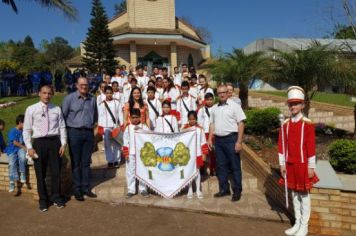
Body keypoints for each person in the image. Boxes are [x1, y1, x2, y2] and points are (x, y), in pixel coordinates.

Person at [278, 86, 319, 236]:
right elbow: (281, 146)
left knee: (304, 195)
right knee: (294, 194)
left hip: (303, 165)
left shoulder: (307, 124)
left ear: (302, 105)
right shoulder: (285, 125)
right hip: (289, 164)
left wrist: (311, 166)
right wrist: (282, 163)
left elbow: (311, 147)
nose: (293, 106)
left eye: (296, 103)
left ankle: (304, 226)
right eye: (291, 104)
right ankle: (297, 222)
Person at [23, 85, 67, 212]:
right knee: (40, 173)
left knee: (56, 172)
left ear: (52, 94)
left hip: (54, 142)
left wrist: (63, 144)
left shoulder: (57, 109)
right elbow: (26, 130)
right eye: (44, 93)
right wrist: (29, 148)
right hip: (39, 143)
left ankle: (57, 197)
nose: (47, 95)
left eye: (49, 93)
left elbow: (62, 127)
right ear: (39, 94)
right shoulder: (31, 109)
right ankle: (43, 201)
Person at [208, 84, 246, 202]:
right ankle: (224, 189)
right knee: (221, 166)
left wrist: (239, 141)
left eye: (224, 92)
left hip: (231, 139)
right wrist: (210, 138)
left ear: (228, 93)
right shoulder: (214, 108)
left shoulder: (235, 106)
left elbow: (241, 124)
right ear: (217, 94)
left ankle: (237, 190)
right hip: (218, 141)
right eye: (220, 93)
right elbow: (212, 124)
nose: (222, 94)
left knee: (235, 166)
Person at [62, 77, 98, 201]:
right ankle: (77, 189)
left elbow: (95, 116)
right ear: (77, 85)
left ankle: (86, 187)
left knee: (86, 162)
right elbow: (63, 117)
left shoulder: (92, 99)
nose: (84, 86)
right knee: (76, 162)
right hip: (74, 133)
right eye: (81, 84)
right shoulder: (69, 99)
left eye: (86, 85)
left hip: (88, 133)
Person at [122, 108, 149, 198]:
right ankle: (131, 189)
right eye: (133, 117)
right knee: (130, 172)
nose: (135, 119)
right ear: (130, 117)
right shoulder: (128, 128)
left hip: (142, 154)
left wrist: (141, 130)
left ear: (140, 117)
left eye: (137, 117)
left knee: (143, 171)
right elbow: (125, 142)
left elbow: (148, 139)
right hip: (131, 153)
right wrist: (126, 154)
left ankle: (143, 189)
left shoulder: (144, 127)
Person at [182, 111, 208, 199]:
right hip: (188, 155)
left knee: (197, 172)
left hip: (197, 154)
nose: (192, 121)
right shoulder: (184, 129)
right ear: (187, 119)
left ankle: (198, 190)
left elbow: (203, 142)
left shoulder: (200, 129)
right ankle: (189, 189)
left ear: (196, 119)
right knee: (189, 172)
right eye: (190, 119)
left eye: (193, 119)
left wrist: (204, 154)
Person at [98, 86, 122, 168]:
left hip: (115, 126)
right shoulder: (102, 104)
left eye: (110, 93)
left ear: (113, 93)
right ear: (104, 93)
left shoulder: (117, 103)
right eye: (107, 93)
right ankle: (110, 160)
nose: (109, 95)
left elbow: (120, 114)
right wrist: (100, 127)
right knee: (107, 144)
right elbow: (100, 116)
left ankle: (116, 160)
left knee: (116, 144)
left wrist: (121, 124)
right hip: (106, 126)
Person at [5, 114, 26, 192]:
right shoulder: (12, 131)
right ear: (20, 122)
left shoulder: (24, 131)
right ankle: (12, 182)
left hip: (20, 149)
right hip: (12, 150)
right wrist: (24, 147)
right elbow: (14, 142)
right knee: (11, 164)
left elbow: (26, 141)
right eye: (25, 123)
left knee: (23, 157)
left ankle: (22, 173)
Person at [198, 92, 216, 176]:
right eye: (208, 100)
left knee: (213, 152)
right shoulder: (201, 110)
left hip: (214, 133)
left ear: (213, 100)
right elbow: (199, 123)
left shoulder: (216, 108)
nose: (209, 101)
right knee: (204, 152)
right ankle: (202, 169)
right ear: (205, 100)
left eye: (211, 99)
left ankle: (213, 169)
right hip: (204, 133)